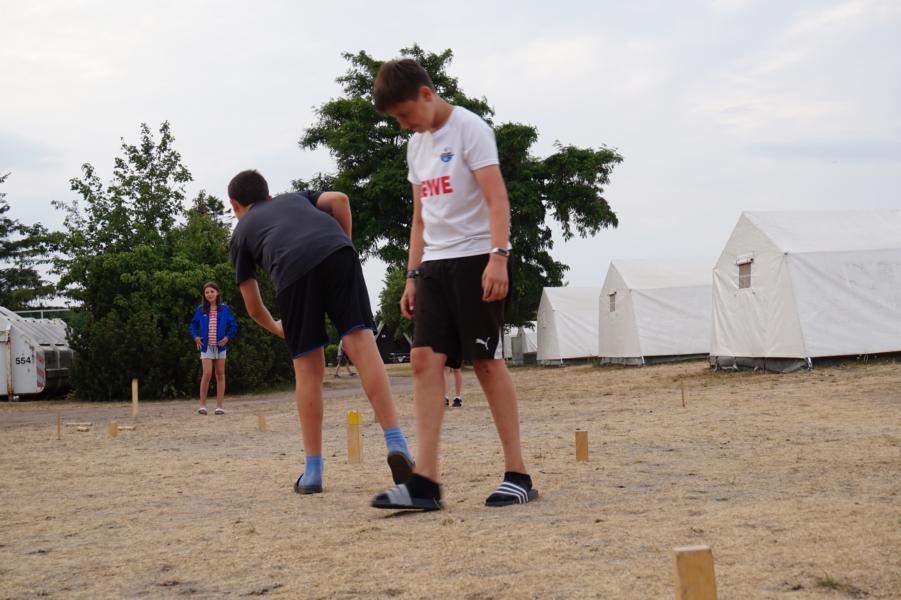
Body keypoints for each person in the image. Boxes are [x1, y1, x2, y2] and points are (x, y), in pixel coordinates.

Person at [370, 58, 537, 511]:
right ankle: (424, 483)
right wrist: (411, 276)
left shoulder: (470, 129)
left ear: (426, 94)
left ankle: (518, 474)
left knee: (486, 362)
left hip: (476, 258)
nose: (404, 125)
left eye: (405, 114)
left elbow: (496, 198)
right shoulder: (416, 146)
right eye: (397, 119)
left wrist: (498, 257)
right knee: (423, 360)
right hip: (434, 265)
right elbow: (419, 218)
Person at [227, 169, 414, 494]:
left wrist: (277, 327)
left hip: (291, 272)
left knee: (308, 370)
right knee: (362, 345)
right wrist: (344, 245)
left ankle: (313, 471)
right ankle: (396, 442)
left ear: (235, 205)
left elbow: (253, 306)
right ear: (268, 195)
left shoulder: (241, 232)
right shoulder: (295, 197)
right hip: (337, 252)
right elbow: (340, 200)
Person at [189, 281, 238, 415]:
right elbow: (193, 325)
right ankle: (202, 405)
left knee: (220, 374)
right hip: (206, 347)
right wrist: (195, 337)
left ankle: (219, 406)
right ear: (204, 295)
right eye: (207, 292)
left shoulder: (225, 309)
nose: (209, 294)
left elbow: (233, 325)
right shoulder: (201, 309)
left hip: (220, 347)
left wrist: (227, 337)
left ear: (217, 293)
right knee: (207, 374)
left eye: (212, 291)